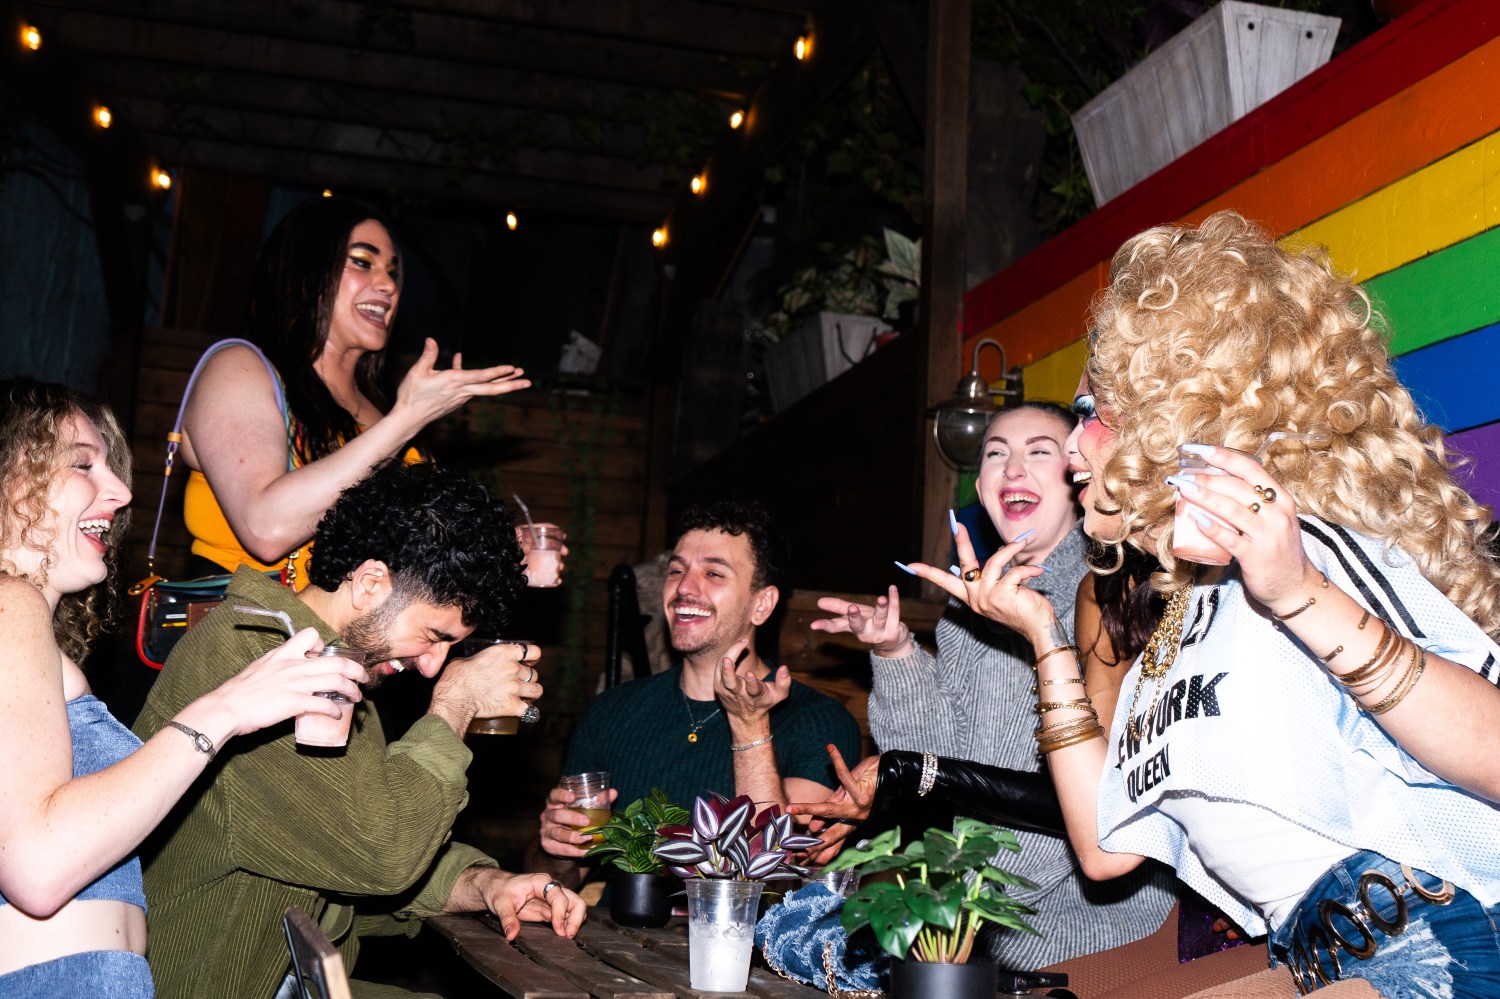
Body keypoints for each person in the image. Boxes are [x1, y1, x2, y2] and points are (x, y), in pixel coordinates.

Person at [907, 211, 1500, 998]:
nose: (1072, 453)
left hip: (1434, 940)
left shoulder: (1308, 550)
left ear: (1170, 418)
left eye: (1089, 417)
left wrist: (1299, 594)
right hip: (1317, 960)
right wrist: (1043, 637)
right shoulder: (1180, 616)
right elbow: (1104, 849)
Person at [134, 459, 585, 999]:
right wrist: (454, 705)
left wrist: (486, 884)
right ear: (371, 582)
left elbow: (344, 859)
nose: (432, 665)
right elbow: (381, 854)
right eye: (433, 635)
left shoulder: (336, 668)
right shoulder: (256, 659)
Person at [0, 378, 365, 995]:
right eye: (82, 464)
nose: (118, 493)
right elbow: (38, 866)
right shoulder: (10, 602)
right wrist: (225, 709)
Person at [802, 402, 1176, 971]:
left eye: (1038, 452)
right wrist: (896, 650)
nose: (1013, 469)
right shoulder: (967, 602)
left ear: (1078, 474)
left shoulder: (1115, 590)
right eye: (996, 455)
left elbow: (1092, 795)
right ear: (979, 486)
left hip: (1090, 929)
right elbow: (937, 759)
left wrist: (969, 906)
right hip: (983, 919)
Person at [176, 195, 560, 588]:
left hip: (346, 646)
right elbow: (267, 529)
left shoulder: (381, 416)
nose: (388, 285)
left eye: (393, 272)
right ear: (305, 270)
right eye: (363, 262)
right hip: (246, 640)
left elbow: (405, 571)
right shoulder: (238, 368)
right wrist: (407, 418)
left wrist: (497, 552)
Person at [530, 499, 862, 888]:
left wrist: (748, 724)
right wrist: (557, 848)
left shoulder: (817, 721)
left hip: (739, 945)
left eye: (714, 573)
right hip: (611, 942)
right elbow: (557, 880)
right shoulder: (611, 711)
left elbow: (774, 876)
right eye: (676, 570)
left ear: (762, 604)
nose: (684, 588)